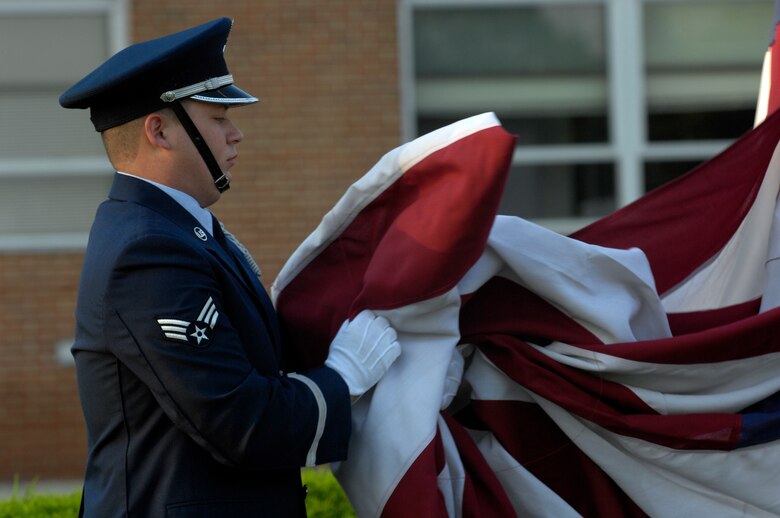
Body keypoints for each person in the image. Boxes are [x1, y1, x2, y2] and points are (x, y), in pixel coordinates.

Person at [60, 17, 401, 517]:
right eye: (219, 119)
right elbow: (241, 421)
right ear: (159, 131)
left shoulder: (177, 231)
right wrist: (344, 377)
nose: (236, 135)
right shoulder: (148, 251)